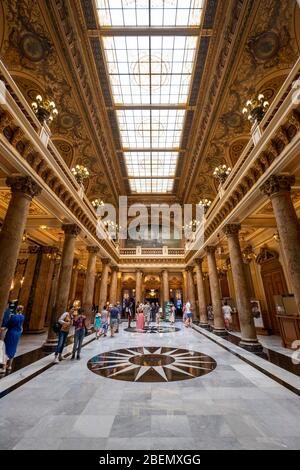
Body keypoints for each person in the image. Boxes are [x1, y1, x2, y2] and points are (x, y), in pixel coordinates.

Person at [3, 305, 25, 372]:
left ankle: (3, 367)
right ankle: (9, 366)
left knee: (6, 349)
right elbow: (21, 327)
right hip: (17, 334)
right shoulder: (22, 317)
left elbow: (7, 326)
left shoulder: (13, 317)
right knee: (13, 348)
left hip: (11, 333)